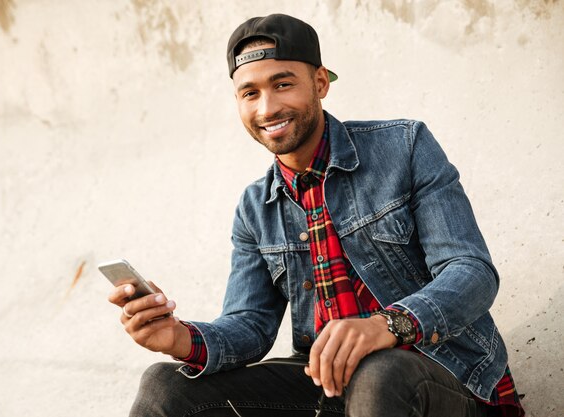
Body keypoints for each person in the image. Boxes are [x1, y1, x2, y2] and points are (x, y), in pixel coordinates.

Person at [108, 13, 524, 417]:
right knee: (165, 385)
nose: (267, 107)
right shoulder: (256, 208)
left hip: (443, 377)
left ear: (320, 82)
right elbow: (249, 325)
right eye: (249, 93)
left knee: (380, 373)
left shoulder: (404, 146)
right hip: (326, 386)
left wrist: (387, 325)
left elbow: (471, 272)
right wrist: (179, 338)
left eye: (283, 84)